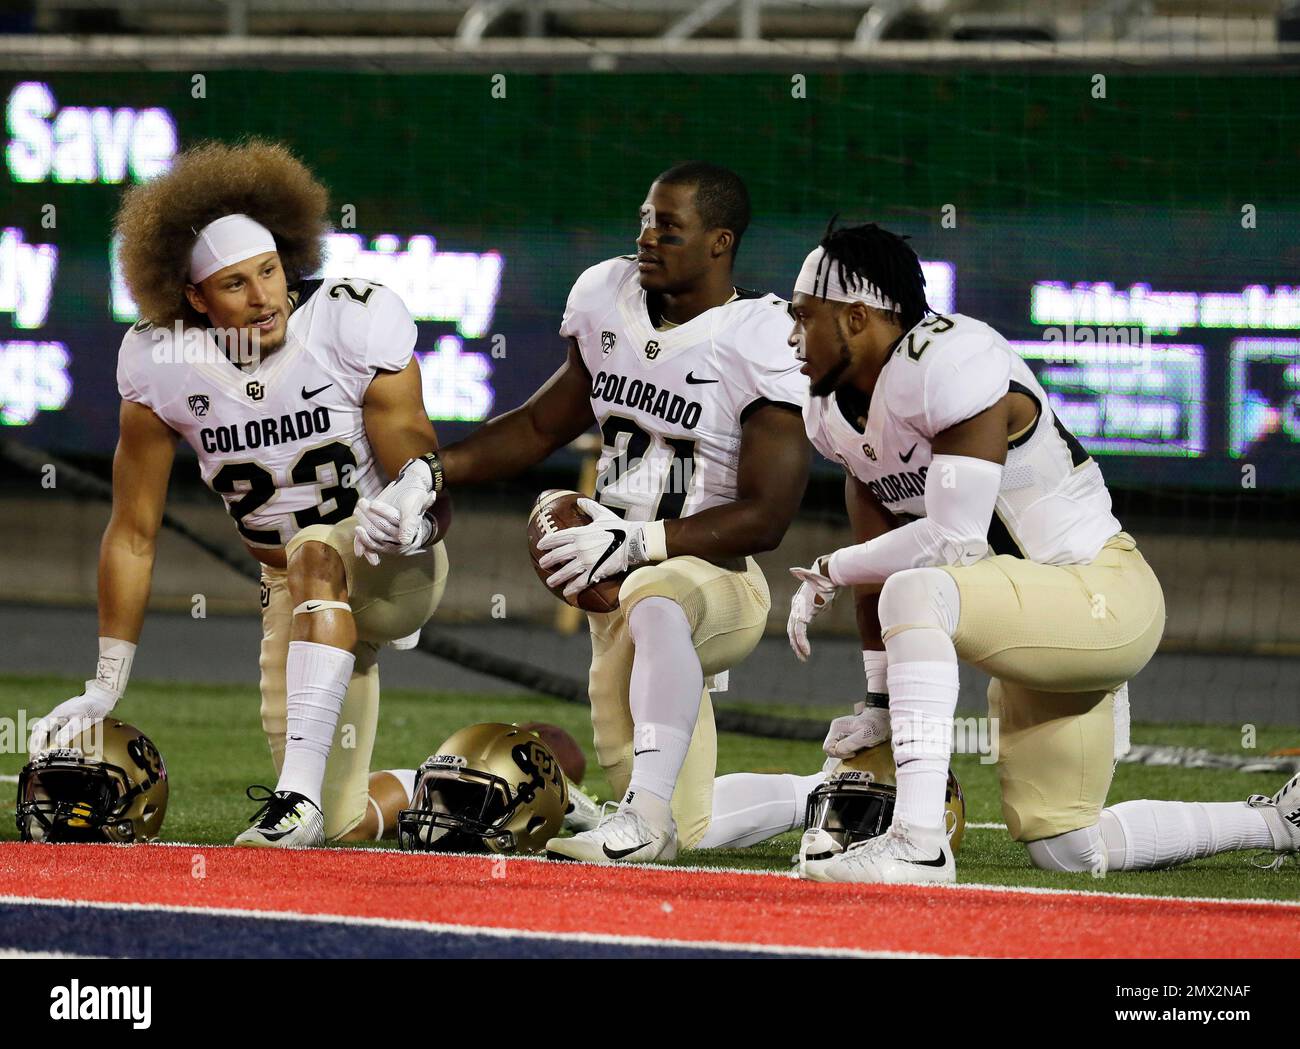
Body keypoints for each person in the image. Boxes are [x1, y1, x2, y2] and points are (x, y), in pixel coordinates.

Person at [785, 221, 1299, 883]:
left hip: (1102, 593)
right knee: (1067, 845)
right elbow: (877, 549)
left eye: (805, 315)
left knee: (918, 588)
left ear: (857, 316)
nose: (793, 335)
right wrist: (878, 701)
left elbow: (952, 540)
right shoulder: (832, 413)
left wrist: (828, 568)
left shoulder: (952, 359)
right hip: (1038, 618)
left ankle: (917, 844)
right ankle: (1279, 822)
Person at [372, 162, 820, 862]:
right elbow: (535, 427)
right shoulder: (607, 297)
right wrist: (427, 473)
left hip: (716, 583)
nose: (646, 237)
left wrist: (637, 541)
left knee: (653, 596)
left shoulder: (759, 339)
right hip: (611, 590)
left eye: (668, 227)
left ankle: (638, 817)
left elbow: (766, 518)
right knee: (688, 822)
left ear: (718, 242)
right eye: (644, 219)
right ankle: (818, 793)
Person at [28, 140, 448, 848]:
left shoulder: (349, 320)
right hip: (292, 583)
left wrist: (414, 508)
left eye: (269, 272)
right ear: (192, 297)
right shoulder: (160, 364)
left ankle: (294, 804)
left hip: (391, 560)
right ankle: (466, 778)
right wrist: (105, 681)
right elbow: (132, 530)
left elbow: (423, 460)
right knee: (343, 820)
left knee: (317, 549)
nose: (263, 298)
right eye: (234, 285)